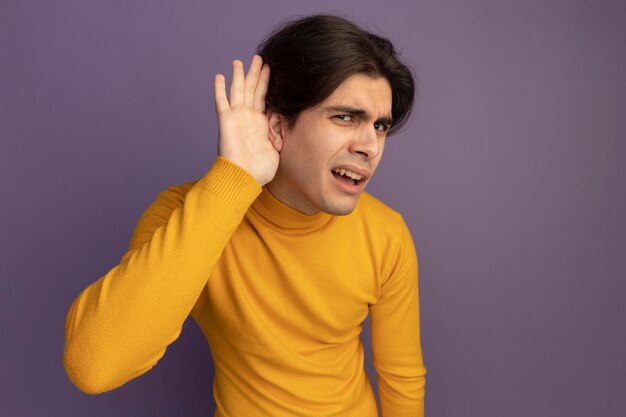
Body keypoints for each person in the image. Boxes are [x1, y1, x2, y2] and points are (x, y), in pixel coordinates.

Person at [64, 14, 426, 417]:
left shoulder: (386, 234)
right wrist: (233, 180)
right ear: (277, 127)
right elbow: (93, 366)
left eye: (379, 126)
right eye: (344, 117)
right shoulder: (186, 213)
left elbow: (402, 378)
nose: (371, 146)